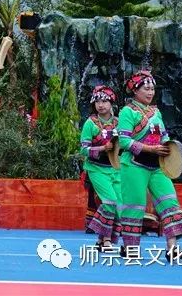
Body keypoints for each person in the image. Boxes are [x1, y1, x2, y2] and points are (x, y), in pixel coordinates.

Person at [117, 70, 182, 261]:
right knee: (135, 206)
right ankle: (130, 248)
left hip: (158, 166)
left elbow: (163, 136)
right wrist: (151, 150)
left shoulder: (156, 112)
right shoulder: (127, 112)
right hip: (134, 166)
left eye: (152, 89)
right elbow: (124, 142)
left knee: (169, 201)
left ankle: (172, 248)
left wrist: (169, 148)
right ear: (135, 91)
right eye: (146, 89)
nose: (150, 93)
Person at [80, 85, 121, 250]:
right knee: (110, 202)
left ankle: (100, 239)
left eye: (104, 100)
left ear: (111, 102)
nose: (101, 104)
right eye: (97, 101)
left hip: (116, 169)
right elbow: (84, 149)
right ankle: (106, 241)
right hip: (96, 168)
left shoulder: (119, 123)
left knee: (120, 206)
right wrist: (102, 149)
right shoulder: (90, 123)